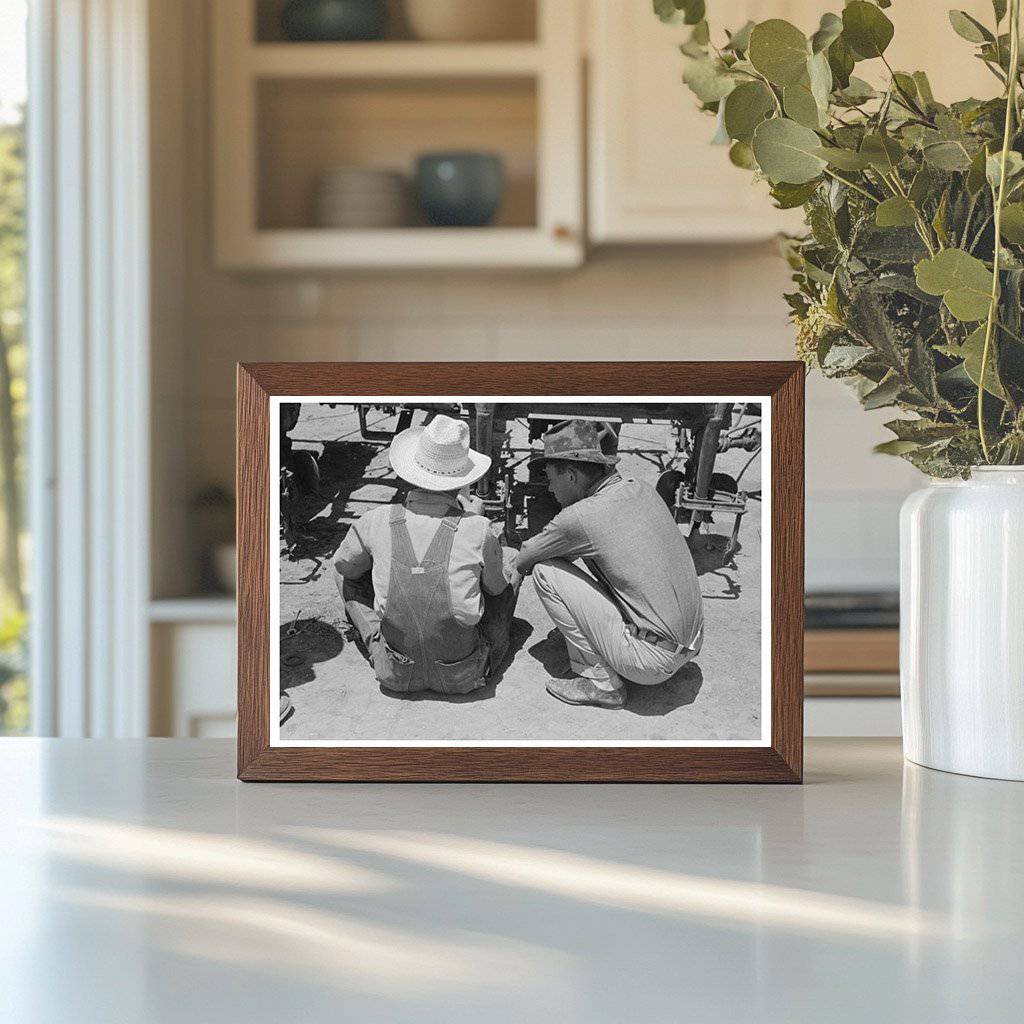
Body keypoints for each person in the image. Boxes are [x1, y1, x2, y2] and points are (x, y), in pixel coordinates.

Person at [516, 419, 704, 710]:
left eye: (551, 478)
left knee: (546, 571)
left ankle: (601, 683)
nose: (550, 488)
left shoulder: (581, 517)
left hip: (651, 663)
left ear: (572, 476)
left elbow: (525, 559)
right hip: (692, 644)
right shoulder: (640, 487)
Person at [333, 413, 519, 695]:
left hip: (395, 674)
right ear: (461, 482)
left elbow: (345, 568)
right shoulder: (478, 527)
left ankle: (377, 643)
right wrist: (470, 520)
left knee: (344, 573)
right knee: (511, 560)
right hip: (463, 677)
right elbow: (496, 589)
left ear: (410, 473)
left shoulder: (375, 520)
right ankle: (488, 655)